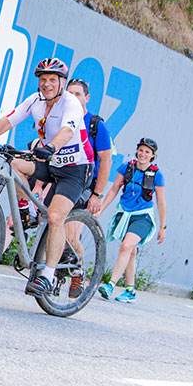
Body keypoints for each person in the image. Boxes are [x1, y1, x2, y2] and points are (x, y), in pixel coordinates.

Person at [0, 58, 90, 297]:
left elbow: (67, 131)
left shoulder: (71, 104)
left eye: (52, 80)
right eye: (43, 80)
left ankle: (47, 276)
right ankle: (28, 212)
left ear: (62, 83)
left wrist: (52, 147)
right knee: (13, 162)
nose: (46, 84)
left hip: (75, 169)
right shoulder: (35, 101)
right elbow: (8, 121)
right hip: (50, 162)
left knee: (56, 217)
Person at [97, 138, 167, 303]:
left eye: (147, 152)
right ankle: (130, 290)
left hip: (142, 217)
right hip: (125, 215)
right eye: (141, 150)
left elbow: (161, 202)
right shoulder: (127, 167)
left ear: (152, 156)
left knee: (126, 246)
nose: (143, 154)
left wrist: (163, 227)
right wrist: (101, 209)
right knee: (131, 252)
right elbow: (114, 190)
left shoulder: (157, 174)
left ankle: (110, 285)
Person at [63, 78, 112, 297]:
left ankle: (78, 273)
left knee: (71, 234)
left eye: (78, 94)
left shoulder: (96, 125)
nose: (73, 98)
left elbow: (106, 161)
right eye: (69, 93)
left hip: (85, 185)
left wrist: (97, 194)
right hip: (63, 178)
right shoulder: (63, 119)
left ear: (87, 98)